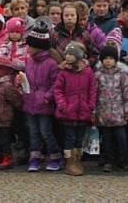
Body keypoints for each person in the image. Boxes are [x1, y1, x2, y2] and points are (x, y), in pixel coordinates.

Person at [22, 22, 62, 172]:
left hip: (44, 102)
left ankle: (54, 155)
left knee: (46, 131)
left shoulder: (51, 63)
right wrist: (20, 82)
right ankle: (35, 156)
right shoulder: (29, 61)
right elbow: (25, 77)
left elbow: (55, 83)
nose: (28, 48)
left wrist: (48, 96)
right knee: (33, 132)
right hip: (29, 101)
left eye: (30, 46)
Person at [54, 42, 96, 176]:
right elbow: (58, 90)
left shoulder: (88, 72)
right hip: (68, 111)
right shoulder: (63, 72)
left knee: (79, 138)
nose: (68, 56)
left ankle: (77, 159)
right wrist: (62, 105)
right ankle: (70, 161)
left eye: (71, 54)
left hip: (83, 110)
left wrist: (90, 105)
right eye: (67, 54)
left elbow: (92, 89)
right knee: (70, 137)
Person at [94, 44, 128, 173]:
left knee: (122, 139)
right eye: (105, 58)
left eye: (111, 58)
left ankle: (124, 162)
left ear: (115, 60)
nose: (108, 61)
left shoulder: (122, 75)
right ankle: (108, 162)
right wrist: (93, 112)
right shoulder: (97, 76)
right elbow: (94, 95)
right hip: (103, 114)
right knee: (106, 141)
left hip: (119, 114)